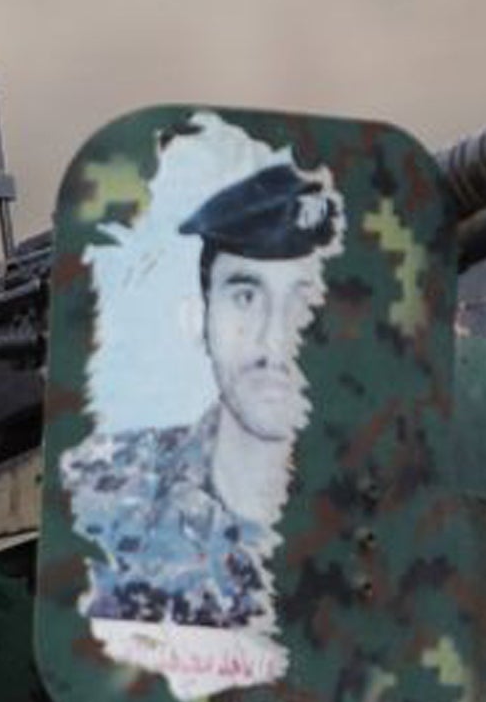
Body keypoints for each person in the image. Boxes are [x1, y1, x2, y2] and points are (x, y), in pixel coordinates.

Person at [64, 161, 338, 627]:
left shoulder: (385, 500)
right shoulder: (104, 495)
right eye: (245, 297)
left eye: (300, 302)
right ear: (199, 321)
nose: (273, 341)